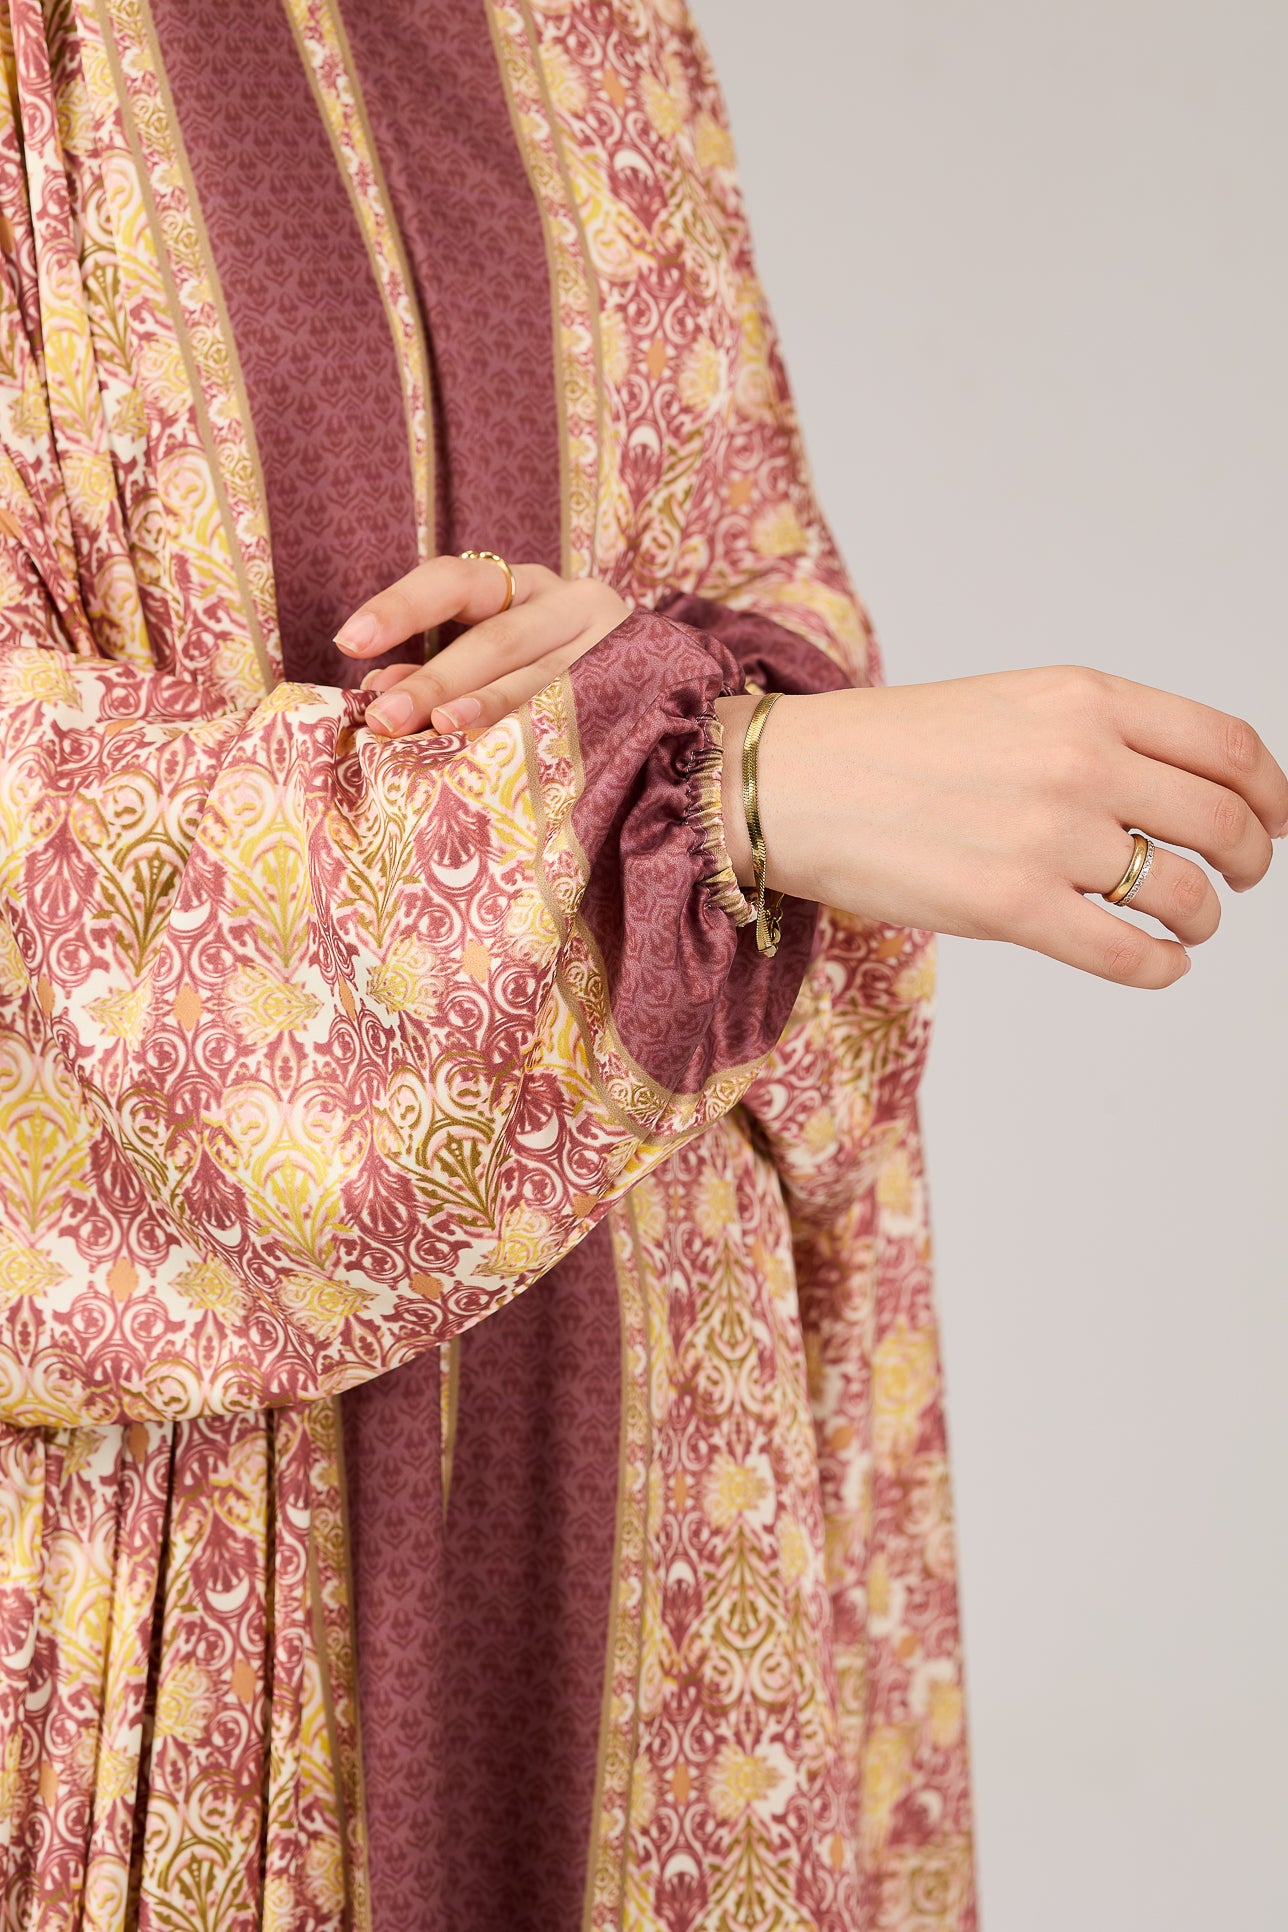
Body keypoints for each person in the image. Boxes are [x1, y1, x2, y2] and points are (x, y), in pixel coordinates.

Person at [0, 5, 1281, 1932]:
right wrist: (691, 784)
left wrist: (674, 682)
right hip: (145, 1563)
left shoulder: (599, 31)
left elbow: (754, 606)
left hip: (648, 1468)